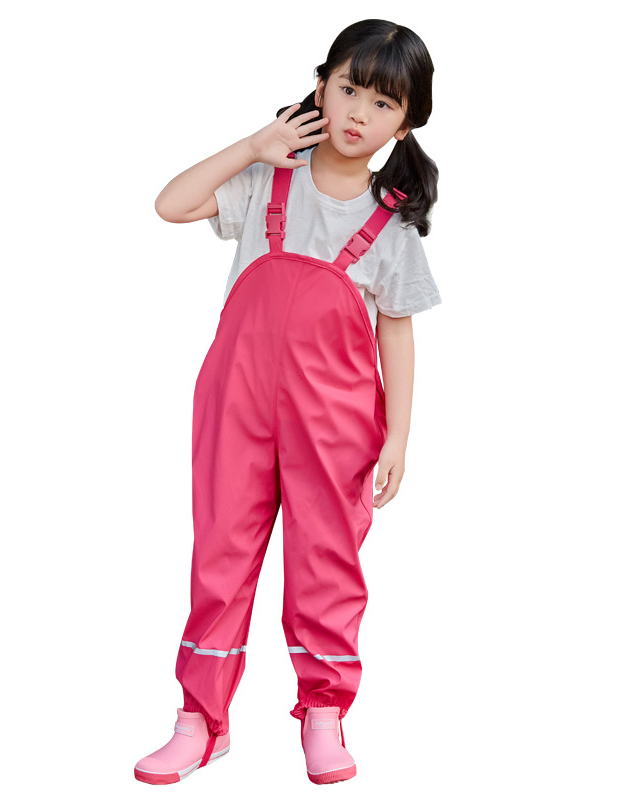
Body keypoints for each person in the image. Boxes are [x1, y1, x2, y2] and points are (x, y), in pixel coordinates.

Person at [134, 18, 442, 787]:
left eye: (383, 103)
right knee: (220, 557)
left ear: (406, 125)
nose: (358, 112)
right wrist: (251, 145)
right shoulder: (268, 181)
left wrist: (399, 435)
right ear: (320, 86)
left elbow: (396, 333)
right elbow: (170, 204)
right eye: (348, 88)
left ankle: (324, 713)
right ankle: (200, 720)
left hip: (336, 426)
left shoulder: (391, 224)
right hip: (234, 407)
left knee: (326, 564)